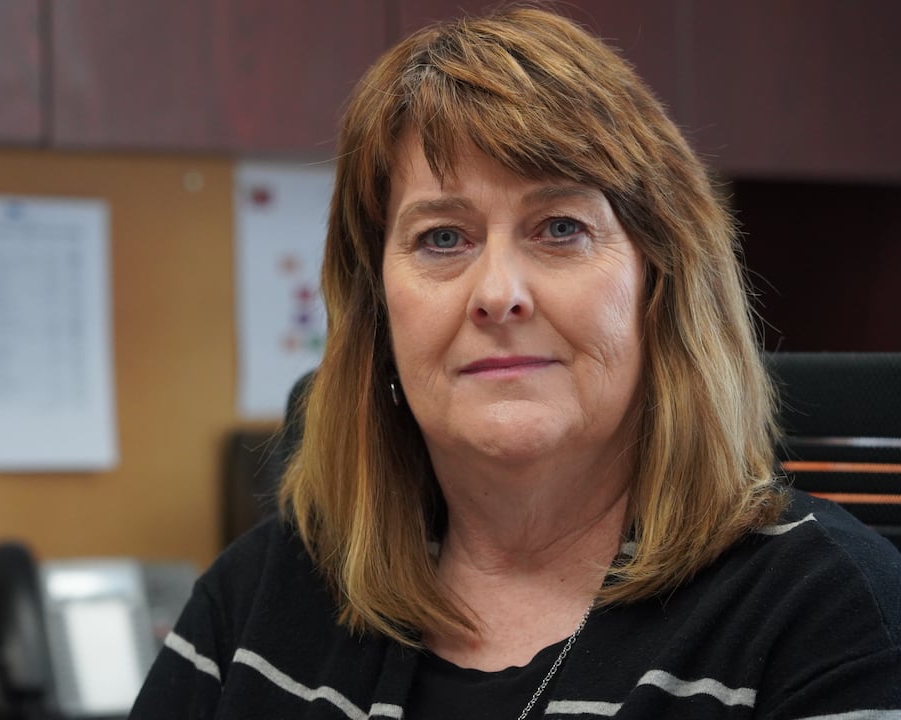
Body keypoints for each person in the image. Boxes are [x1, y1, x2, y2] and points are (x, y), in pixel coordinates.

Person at [130, 7, 901, 718]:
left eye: (560, 227)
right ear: (377, 312)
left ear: (660, 287)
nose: (497, 293)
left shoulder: (829, 616)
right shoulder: (260, 599)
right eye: (442, 237)